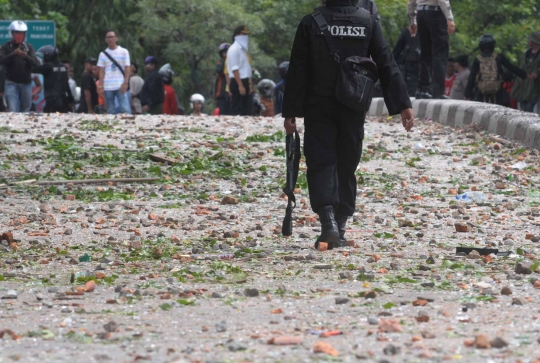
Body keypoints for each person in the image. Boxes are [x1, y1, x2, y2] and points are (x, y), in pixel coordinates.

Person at [283, 0, 414, 249]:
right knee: (347, 161)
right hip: (354, 104)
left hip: (318, 106)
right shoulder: (367, 22)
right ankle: (340, 225)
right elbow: (386, 61)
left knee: (321, 161)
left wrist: (291, 112)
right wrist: (402, 104)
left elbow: (298, 70)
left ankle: (328, 221)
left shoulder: (310, 23)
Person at [408, 0, 455, 99]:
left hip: (420, 13)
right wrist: (449, 17)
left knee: (425, 52)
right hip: (435, 13)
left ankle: (422, 89)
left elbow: (411, 2)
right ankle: (438, 91)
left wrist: (412, 20)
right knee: (440, 52)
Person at [465, 34, 526, 104]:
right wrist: (525, 75)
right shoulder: (498, 57)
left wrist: (468, 93)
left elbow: (472, 77)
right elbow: (512, 67)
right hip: (498, 92)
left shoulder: (477, 59)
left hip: (481, 92)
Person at [0, 21, 39, 112]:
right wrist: (13, 54)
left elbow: (35, 63)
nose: (19, 35)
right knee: (13, 109)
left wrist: (25, 56)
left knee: (25, 108)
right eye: (17, 33)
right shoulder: (5, 46)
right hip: (11, 83)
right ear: (11, 33)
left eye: (22, 33)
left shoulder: (29, 47)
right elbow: (1, 60)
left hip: (26, 83)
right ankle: (13, 126)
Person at [97, 30, 131, 114]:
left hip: (120, 84)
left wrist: (126, 83)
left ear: (116, 38)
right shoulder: (102, 54)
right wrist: (101, 86)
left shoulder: (124, 51)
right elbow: (101, 71)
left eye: (112, 37)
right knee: (110, 110)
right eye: (108, 37)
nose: (110, 39)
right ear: (105, 40)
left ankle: (129, 126)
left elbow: (127, 68)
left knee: (125, 108)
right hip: (108, 86)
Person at [33, 45, 73, 113]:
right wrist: (71, 99)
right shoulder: (63, 67)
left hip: (52, 100)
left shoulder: (48, 67)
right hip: (63, 100)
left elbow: (33, 69)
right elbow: (67, 85)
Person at [511, 32, 540, 113]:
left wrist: (537, 72)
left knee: (529, 107)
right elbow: (521, 66)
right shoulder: (527, 53)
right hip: (523, 85)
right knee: (522, 106)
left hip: (535, 86)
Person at [227, 25, 253, 116]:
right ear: (237, 35)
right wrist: (240, 85)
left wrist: (249, 84)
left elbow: (246, 69)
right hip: (237, 81)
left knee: (246, 109)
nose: (245, 37)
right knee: (237, 108)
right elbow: (235, 69)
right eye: (243, 34)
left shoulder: (242, 50)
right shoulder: (234, 49)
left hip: (244, 80)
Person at [392, 27, 421, 97]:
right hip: (408, 69)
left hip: (422, 69)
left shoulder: (425, 31)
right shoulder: (406, 33)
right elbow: (396, 51)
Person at [215, 43, 231, 116]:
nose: (226, 54)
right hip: (221, 93)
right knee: (222, 114)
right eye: (224, 52)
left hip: (231, 93)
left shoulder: (233, 63)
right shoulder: (220, 63)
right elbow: (219, 70)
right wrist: (225, 60)